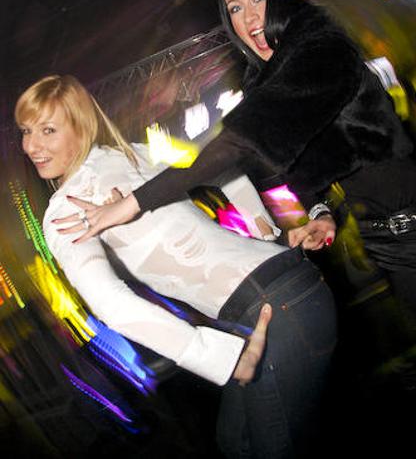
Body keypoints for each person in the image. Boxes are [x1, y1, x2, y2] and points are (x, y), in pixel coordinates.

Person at [60, 0, 416, 334]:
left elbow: (234, 146)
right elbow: (303, 163)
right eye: (235, 8)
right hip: (381, 239)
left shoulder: (321, 49)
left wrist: (131, 204)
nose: (250, 17)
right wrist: (321, 212)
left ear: (280, 0)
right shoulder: (267, 81)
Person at [15, 74, 338, 459]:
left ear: (81, 126)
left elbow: (112, 305)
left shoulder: (65, 211)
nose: (32, 146)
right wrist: (264, 231)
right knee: (235, 444)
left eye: (48, 130)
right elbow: (224, 170)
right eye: (27, 131)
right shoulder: (138, 153)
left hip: (274, 310)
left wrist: (219, 357)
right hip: (283, 295)